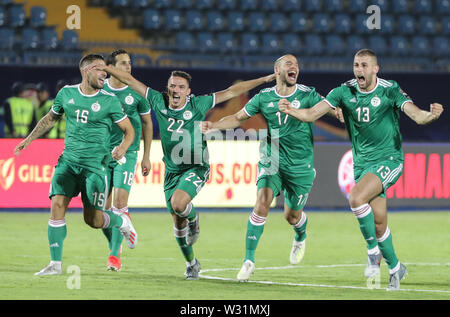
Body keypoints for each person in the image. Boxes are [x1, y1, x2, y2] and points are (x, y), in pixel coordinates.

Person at [277, 49, 444, 290]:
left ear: (376, 69)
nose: (359, 70)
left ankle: (372, 254)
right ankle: (396, 268)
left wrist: (431, 115)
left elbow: (416, 115)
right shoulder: (344, 91)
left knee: (356, 197)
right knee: (378, 224)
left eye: (364, 65)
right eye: (356, 65)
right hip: (362, 163)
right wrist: (291, 110)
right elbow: (312, 113)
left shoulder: (390, 89)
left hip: (389, 159)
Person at [94, 61, 275, 279]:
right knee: (177, 221)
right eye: (172, 86)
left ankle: (194, 219)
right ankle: (191, 263)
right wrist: (104, 66)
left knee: (179, 204)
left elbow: (232, 91)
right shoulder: (157, 100)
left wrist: (264, 80)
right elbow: (130, 80)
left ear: (188, 92)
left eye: (180, 87)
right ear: (167, 88)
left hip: (196, 166)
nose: (175, 90)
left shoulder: (198, 104)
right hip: (172, 171)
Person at [201, 54, 334, 281]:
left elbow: (328, 108)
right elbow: (237, 117)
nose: (294, 67)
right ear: (277, 70)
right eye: (289, 64)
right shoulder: (264, 97)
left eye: (297, 65)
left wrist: (339, 112)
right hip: (271, 158)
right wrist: (214, 125)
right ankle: (248, 261)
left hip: (300, 164)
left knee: (292, 216)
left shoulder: (307, 94)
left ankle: (300, 235)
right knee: (262, 201)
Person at [14, 54, 138, 276]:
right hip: (68, 162)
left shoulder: (110, 101)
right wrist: (29, 139)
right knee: (57, 205)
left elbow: (129, 131)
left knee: (94, 220)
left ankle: (120, 220)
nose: (105, 75)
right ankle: (55, 264)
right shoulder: (66, 94)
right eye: (101, 70)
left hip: (95, 168)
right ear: (87, 70)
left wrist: (123, 147)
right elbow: (50, 119)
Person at [101, 49, 153, 271]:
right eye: (122, 63)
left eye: (129, 63)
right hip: (103, 154)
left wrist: (146, 156)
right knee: (100, 212)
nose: (128, 67)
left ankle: (114, 256)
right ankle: (121, 233)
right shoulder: (100, 90)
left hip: (128, 153)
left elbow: (148, 124)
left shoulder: (137, 92)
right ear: (111, 67)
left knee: (119, 203)